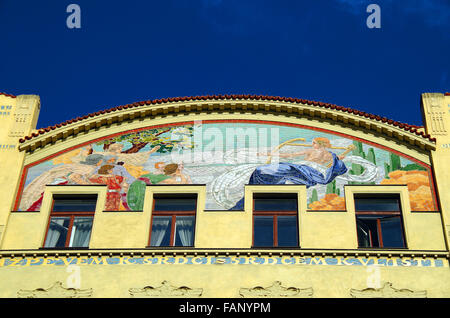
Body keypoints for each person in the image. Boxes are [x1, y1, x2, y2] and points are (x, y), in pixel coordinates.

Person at [230, 137, 351, 210]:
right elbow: (335, 163)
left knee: (278, 169)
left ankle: (265, 177)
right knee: (280, 170)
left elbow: (289, 155)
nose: (312, 144)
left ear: (319, 144)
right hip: (314, 174)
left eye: (314, 143)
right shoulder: (332, 155)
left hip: (303, 169)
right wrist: (340, 157)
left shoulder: (312, 151)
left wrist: (267, 154)